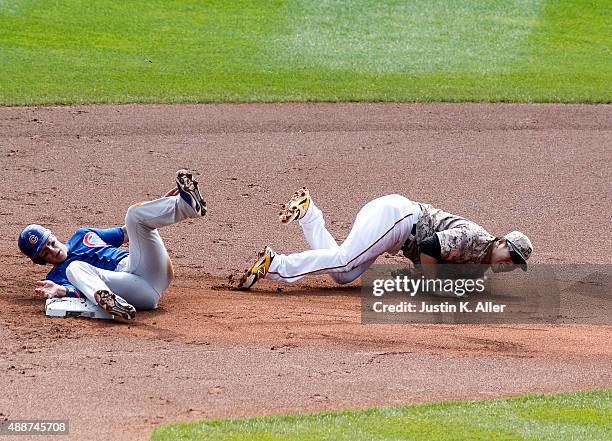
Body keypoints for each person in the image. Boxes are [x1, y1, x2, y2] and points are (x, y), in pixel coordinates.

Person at [239, 188, 533, 289]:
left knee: (345, 274)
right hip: (398, 218)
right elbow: (431, 247)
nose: (511, 265)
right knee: (345, 260)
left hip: (396, 235)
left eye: (516, 264)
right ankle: (274, 264)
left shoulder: (479, 265)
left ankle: (310, 214)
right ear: (501, 242)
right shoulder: (474, 239)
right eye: (513, 257)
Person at [17, 170, 206, 320]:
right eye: (45, 253)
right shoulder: (56, 277)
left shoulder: (83, 235)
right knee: (74, 268)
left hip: (148, 269)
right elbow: (77, 291)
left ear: (53, 235)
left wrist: (157, 209)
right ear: (41, 261)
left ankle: (185, 206)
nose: (52, 250)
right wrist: (60, 290)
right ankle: (115, 305)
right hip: (131, 290)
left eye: (50, 243)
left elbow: (128, 232)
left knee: (134, 215)